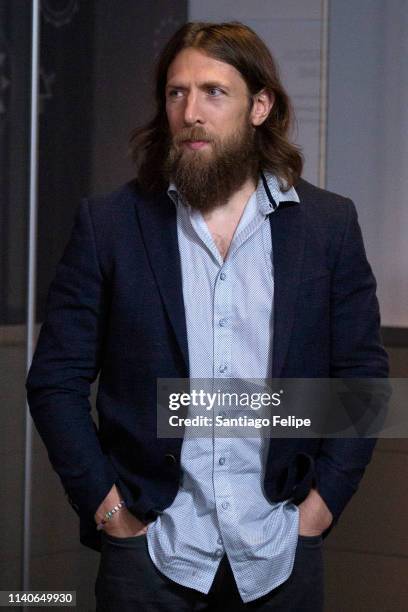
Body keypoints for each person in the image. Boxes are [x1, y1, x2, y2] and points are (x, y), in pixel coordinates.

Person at [26, 21, 389, 612]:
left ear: (260, 106)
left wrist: (319, 508)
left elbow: (362, 383)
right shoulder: (111, 224)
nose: (191, 111)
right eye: (177, 92)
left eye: (214, 92)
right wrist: (110, 512)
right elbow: (54, 382)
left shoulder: (327, 226)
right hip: (149, 553)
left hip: (279, 553)